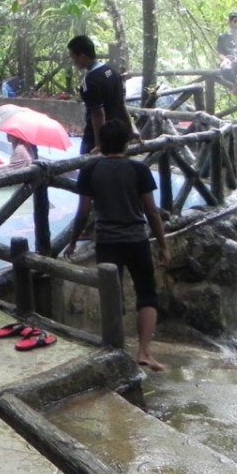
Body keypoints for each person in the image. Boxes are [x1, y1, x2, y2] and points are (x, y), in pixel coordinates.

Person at [61, 119, 170, 371]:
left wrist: (73, 241)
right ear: (126, 143)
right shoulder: (138, 170)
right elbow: (151, 212)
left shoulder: (90, 170)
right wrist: (163, 245)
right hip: (136, 239)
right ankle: (143, 352)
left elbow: (83, 212)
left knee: (111, 294)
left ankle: (114, 349)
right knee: (147, 293)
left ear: (100, 145)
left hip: (107, 241)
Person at [67, 34, 132, 155]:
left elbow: (97, 113)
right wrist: (131, 129)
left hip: (100, 137)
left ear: (81, 56)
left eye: (73, 57)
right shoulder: (111, 71)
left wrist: (99, 144)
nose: (73, 62)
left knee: (88, 168)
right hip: (119, 134)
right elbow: (121, 104)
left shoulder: (91, 80)